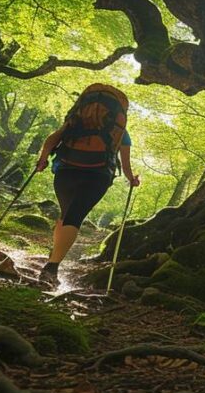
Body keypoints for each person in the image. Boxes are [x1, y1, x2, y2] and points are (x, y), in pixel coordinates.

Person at [35, 85, 140, 283]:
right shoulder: (121, 132)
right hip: (98, 175)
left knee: (65, 215)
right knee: (74, 217)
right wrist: (132, 179)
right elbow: (125, 164)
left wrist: (42, 158)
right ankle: (51, 268)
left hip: (66, 170)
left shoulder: (76, 120)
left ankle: (53, 257)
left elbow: (54, 137)